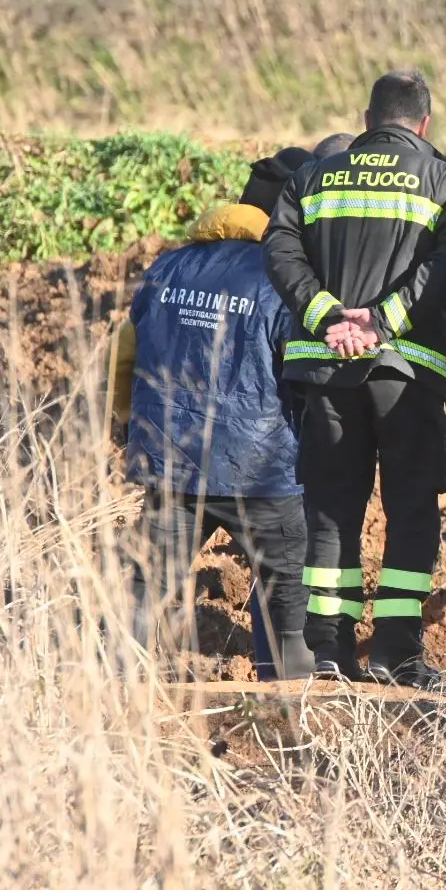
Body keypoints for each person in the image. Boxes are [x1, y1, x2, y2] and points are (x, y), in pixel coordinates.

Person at [263, 71, 446, 688]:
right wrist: (385, 320)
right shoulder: (444, 180)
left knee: (332, 509)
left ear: (366, 119)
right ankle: (395, 652)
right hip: (407, 371)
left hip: (327, 369)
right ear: (425, 124)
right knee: (410, 508)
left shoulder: (312, 178)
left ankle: (327, 651)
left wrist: (326, 314)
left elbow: (279, 250)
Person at [110, 147, 317, 680]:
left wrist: (125, 420)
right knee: (286, 590)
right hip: (262, 472)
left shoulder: (167, 268)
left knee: (146, 581)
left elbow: (123, 356)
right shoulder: (287, 281)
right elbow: (306, 375)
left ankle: (113, 691)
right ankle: (285, 709)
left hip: (173, 462)